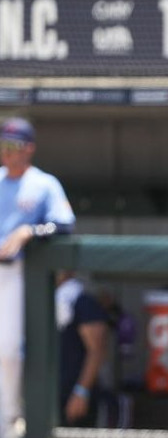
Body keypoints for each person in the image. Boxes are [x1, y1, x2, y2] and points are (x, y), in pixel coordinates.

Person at [0, 117, 76, 438]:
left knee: (8, 350)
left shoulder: (43, 183)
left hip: (18, 273)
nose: (7, 152)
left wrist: (29, 230)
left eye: (14, 146)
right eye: (3, 145)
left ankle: (9, 418)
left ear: (29, 148)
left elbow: (64, 224)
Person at [56, 271, 108, 427]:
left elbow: (97, 352)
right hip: (47, 395)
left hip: (74, 396)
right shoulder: (40, 299)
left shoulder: (84, 303)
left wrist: (81, 391)